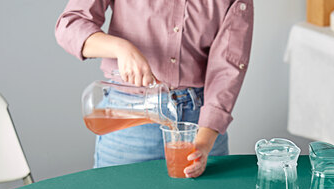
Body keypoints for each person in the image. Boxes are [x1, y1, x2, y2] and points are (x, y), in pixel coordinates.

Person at [55, 0, 253, 177]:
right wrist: (121, 48)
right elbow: (70, 25)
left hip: (200, 122)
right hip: (129, 118)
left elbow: (227, 66)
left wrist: (204, 141)